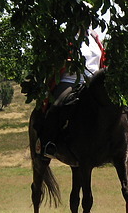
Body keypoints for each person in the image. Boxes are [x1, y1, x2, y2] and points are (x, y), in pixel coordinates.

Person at [38, 28, 106, 160]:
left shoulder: (95, 37)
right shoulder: (67, 37)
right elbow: (57, 62)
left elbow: (102, 60)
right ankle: (48, 143)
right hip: (71, 81)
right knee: (56, 106)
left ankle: (123, 140)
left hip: (93, 83)